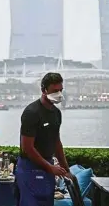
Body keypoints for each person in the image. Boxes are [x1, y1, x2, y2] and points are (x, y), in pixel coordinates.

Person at [15, 72, 72, 206]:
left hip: (47, 166)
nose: (58, 93)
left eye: (60, 90)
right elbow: (27, 148)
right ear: (43, 90)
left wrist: (66, 169)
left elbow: (56, 143)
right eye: (54, 91)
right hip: (29, 168)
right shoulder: (32, 112)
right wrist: (50, 168)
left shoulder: (56, 113)